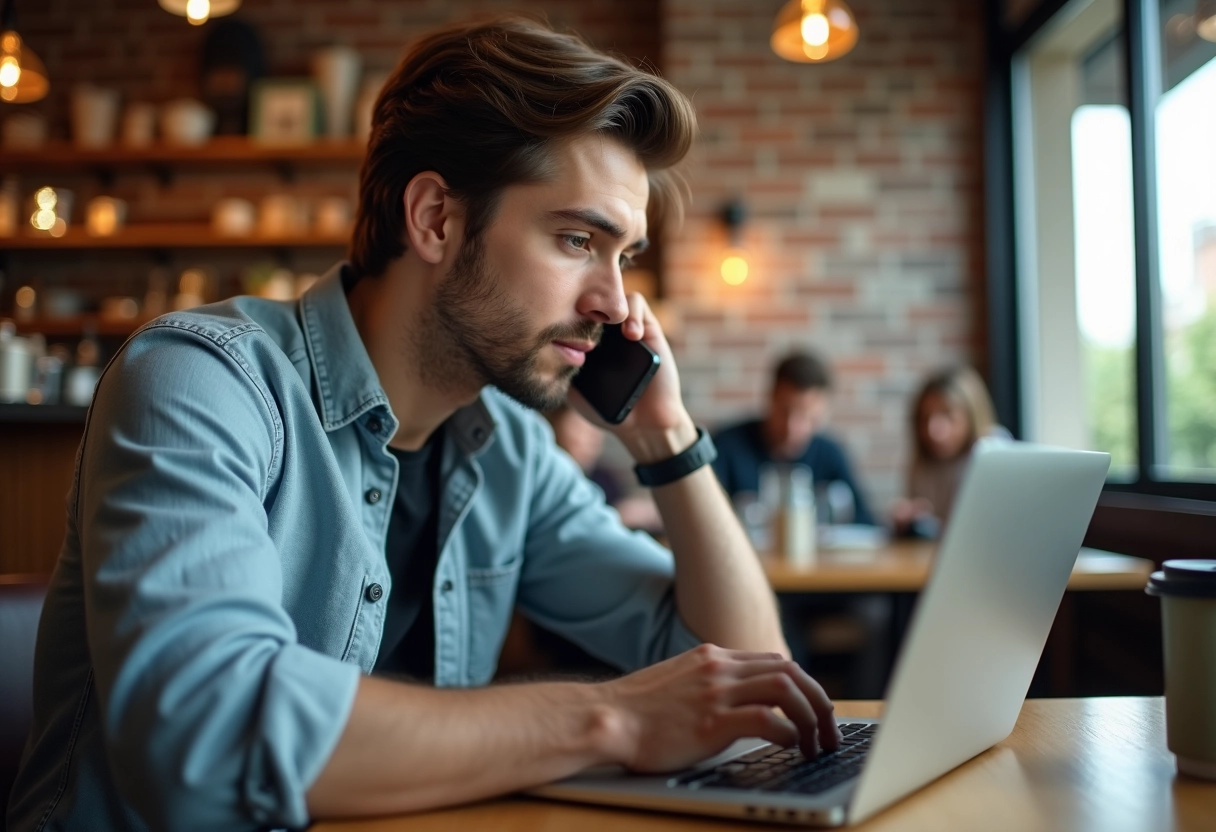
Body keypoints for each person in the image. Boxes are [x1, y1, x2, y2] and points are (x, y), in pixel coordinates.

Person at [7, 17, 840, 832]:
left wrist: (665, 439)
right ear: (436, 218)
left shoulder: (510, 453)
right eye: (578, 238)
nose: (615, 304)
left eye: (624, 256)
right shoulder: (203, 380)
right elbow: (203, 740)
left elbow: (748, 681)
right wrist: (607, 719)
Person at [712, 350, 875, 526]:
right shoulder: (727, 446)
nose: (792, 427)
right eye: (785, 412)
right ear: (770, 399)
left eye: (807, 417)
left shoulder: (831, 454)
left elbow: (866, 524)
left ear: (823, 413)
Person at [891, 365, 1006, 538]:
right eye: (925, 418)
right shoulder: (923, 463)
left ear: (971, 415)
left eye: (948, 415)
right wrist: (910, 521)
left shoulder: (994, 453)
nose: (933, 431)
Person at [545, 403, 662, 532]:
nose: (592, 439)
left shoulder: (604, 477)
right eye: (580, 429)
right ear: (555, 428)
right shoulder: (548, 479)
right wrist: (617, 515)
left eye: (594, 431)